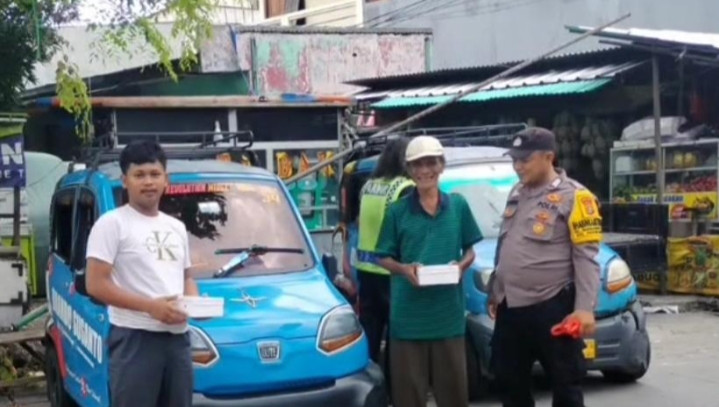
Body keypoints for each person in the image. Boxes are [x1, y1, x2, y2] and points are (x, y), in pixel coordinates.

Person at [488, 127, 602, 407]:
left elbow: (586, 257)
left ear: (549, 157)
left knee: (565, 385)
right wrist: (496, 289)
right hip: (510, 308)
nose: (517, 166)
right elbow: (507, 243)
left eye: (524, 160)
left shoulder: (576, 197)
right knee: (508, 381)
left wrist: (584, 308)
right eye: (514, 160)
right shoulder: (517, 191)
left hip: (552, 307)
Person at [86, 140, 198, 407]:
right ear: (125, 181)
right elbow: (95, 284)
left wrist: (193, 305)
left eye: (154, 174)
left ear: (166, 179)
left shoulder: (176, 227)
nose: (148, 182)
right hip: (134, 339)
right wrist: (151, 307)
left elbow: (187, 278)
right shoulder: (111, 224)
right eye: (139, 175)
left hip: (178, 340)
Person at [375, 135, 483, 407]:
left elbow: (471, 250)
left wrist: (460, 266)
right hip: (408, 322)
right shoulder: (397, 211)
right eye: (417, 165)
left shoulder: (458, 206)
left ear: (442, 166)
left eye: (431, 163)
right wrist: (404, 268)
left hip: (448, 318)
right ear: (409, 170)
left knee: (455, 397)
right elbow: (381, 258)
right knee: (409, 399)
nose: (425, 170)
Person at [353, 137, 414, 387]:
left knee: (370, 332)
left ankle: (368, 388)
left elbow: (358, 223)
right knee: (397, 335)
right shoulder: (405, 187)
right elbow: (408, 229)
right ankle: (393, 388)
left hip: (365, 269)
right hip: (391, 271)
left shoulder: (369, 186)